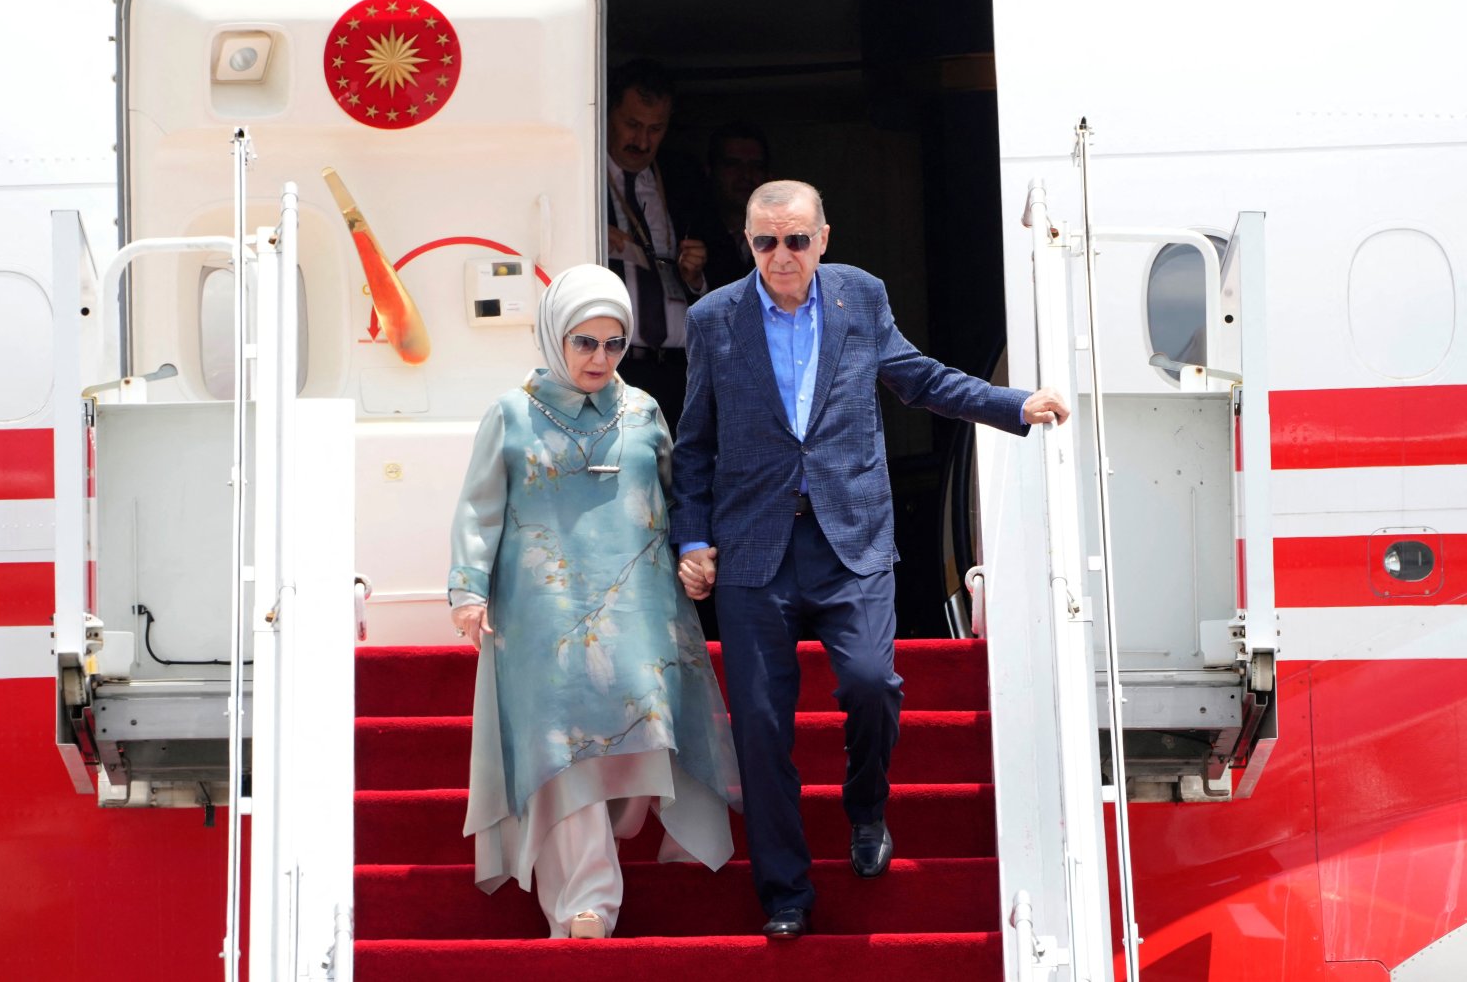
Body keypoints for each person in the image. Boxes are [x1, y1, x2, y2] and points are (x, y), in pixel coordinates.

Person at [670, 180, 1069, 940]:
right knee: (758, 724)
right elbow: (695, 445)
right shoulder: (714, 317)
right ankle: (785, 893)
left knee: (871, 684)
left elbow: (917, 378)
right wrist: (692, 540)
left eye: (795, 240)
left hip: (850, 537)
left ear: (823, 237)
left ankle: (866, 807)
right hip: (755, 550)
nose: (781, 257)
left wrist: (1009, 404)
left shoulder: (861, 297)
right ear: (746, 245)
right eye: (764, 243)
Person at [449, 263, 740, 940]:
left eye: (614, 344)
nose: (600, 359)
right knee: (564, 745)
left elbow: (678, 495)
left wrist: (696, 552)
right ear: (556, 338)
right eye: (585, 343)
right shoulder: (512, 412)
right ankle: (586, 900)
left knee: (638, 731)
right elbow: (478, 508)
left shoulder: (641, 411)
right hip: (540, 613)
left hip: (638, 603)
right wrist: (468, 589)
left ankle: (615, 854)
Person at [604, 58, 733, 432]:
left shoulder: (682, 176)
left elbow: (727, 271)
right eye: (631, 124)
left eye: (655, 128)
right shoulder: (583, 175)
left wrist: (697, 276)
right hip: (613, 368)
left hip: (681, 370)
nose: (642, 141)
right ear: (609, 112)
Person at [704, 121, 771, 284]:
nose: (746, 175)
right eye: (733, 165)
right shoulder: (690, 232)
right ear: (710, 172)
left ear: (769, 176)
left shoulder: (790, 235)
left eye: (756, 166)